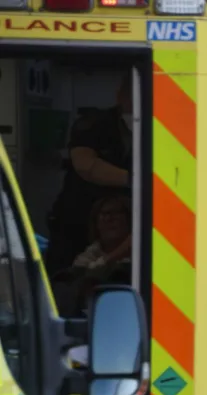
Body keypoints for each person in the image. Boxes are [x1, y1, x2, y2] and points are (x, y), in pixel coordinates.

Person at [45, 72, 133, 274]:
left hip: (122, 226)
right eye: (130, 95)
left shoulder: (158, 127)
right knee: (67, 278)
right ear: (120, 95)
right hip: (77, 221)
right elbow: (85, 164)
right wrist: (134, 180)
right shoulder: (95, 123)